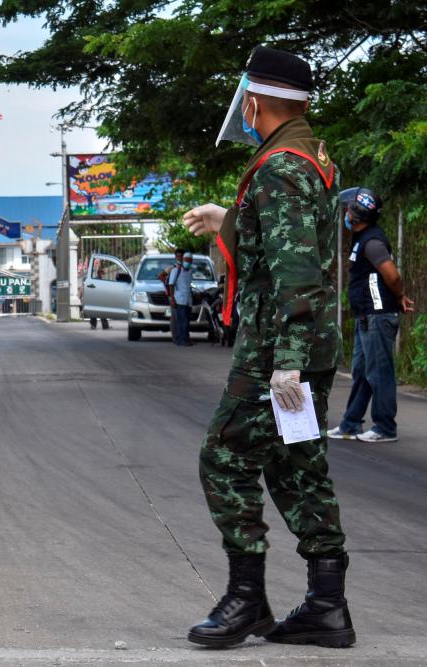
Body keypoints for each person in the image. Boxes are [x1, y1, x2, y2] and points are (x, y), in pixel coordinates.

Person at [182, 46, 354, 648]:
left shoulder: (279, 166)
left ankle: (246, 598)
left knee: (224, 457)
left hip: (277, 352)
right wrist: (228, 217)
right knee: (295, 463)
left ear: (255, 100)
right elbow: (287, 244)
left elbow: (296, 271)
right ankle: (327, 606)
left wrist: (286, 362)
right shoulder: (307, 154)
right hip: (304, 344)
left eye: (247, 101)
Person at [328, 188, 414, 443]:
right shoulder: (362, 238)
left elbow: (392, 275)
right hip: (367, 317)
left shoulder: (372, 242)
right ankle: (350, 424)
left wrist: (399, 296)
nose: (345, 212)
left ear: (357, 214)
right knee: (363, 373)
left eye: (348, 209)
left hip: (377, 316)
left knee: (379, 374)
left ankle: (385, 427)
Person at [169, 252, 194, 346]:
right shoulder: (176, 270)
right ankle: (181, 340)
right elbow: (171, 285)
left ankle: (185, 339)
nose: (187, 262)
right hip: (179, 300)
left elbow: (188, 286)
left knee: (187, 322)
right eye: (186, 260)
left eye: (189, 260)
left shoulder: (190, 271)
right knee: (181, 322)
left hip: (188, 300)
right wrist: (172, 299)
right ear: (183, 260)